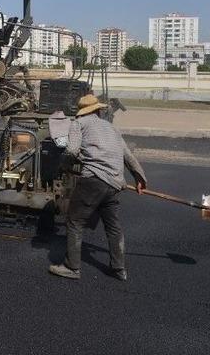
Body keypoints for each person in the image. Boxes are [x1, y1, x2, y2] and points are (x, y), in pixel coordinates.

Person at [48, 94, 147, 282]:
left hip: (93, 181)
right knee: (113, 227)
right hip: (115, 183)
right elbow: (127, 155)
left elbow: (71, 150)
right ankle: (119, 269)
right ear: (99, 110)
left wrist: (64, 165)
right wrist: (140, 177)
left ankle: (72, 267)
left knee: (75, 222)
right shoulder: (111, 128)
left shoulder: (79, 123)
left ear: (82, 111)